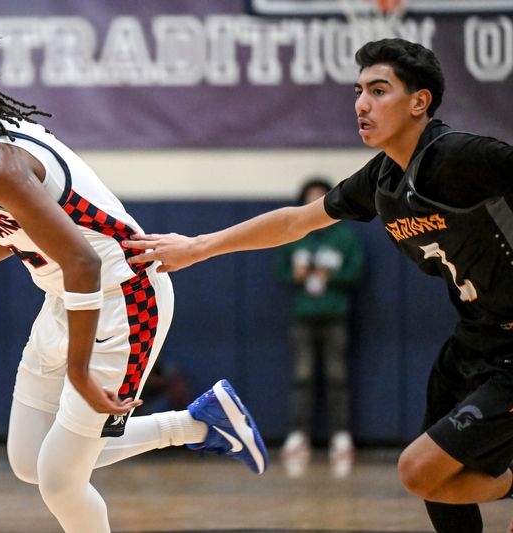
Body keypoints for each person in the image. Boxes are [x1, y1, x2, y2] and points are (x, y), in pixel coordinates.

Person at [124, 38, 513, 533]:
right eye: (358, 91)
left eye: (378, 90)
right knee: (438, 486)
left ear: (420, 102)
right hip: (473, 340)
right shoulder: (382, 180)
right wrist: (199, 246)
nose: (362, 104)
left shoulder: (462, 156)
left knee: (420, 470)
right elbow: (294, 222)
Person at [0, 28, 268, 533]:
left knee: (60, 480)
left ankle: (195, 424)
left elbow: (83, 262)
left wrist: (78, 372)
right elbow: (15, 233)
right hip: (67, 298)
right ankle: (200, 422)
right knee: (30, 460)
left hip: (123, 297)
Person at [275, 178, 364, 477]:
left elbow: (356, 271)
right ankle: (299, 435)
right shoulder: (295, 236)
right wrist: (296, 276)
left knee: (337, 377)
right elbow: (281, 271)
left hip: (335, 314)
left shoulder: (345, 237)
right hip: (303, 315)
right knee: (302, 376)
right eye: (309, 199)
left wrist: (332, 276)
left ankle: (341, 436)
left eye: (320, 199)